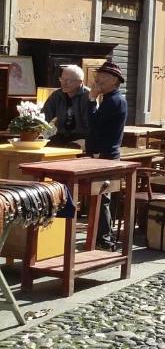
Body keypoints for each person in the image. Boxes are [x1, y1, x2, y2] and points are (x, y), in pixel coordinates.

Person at [85, 60, 128, 251]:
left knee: (102, 197)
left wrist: (91, 100)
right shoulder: (111, 99)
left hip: (105, 155)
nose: (98, 81)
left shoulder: (113, 101)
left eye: (102, 79)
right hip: (104, 154)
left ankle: (104, 239)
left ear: (114, 81)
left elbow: (94, 123)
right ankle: (101, 237)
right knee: (102, 197)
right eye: (98, 77)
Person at [42, 65, 96, 147]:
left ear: (80, 82)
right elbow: (44, 116)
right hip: (62, 135)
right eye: (62, 79)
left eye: (68, 80)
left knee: (71, 147)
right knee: (45, 146)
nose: (63, 83)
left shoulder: (88, 96)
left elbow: (91, 123)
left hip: (82, 137)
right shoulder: (57, 95)